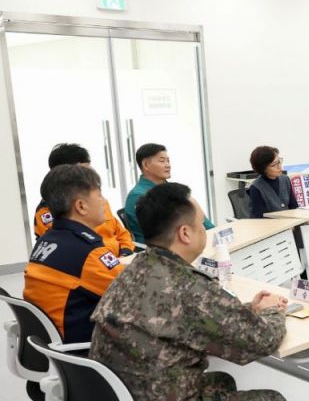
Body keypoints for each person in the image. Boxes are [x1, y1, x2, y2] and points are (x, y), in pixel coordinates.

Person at [90, 182, 289, 401]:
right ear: (185, 233)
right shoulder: (188, 286)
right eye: (201, 224)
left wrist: (247, 310)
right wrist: (273, 312)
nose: (204, 231)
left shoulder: (134, 270)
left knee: (222, 382)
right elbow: (261, 340)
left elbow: (185, 319)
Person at [24, 165, 125, 343]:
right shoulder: (88, 252)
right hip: (83, 348)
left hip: (50, 343)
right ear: (81, 206)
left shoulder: (46, 240)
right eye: (99, 195)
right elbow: (131, 290)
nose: (104, 201)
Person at [34, 142, 134, 257]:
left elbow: (122, 233)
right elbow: (69, 248)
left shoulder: (96, 200)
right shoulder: (49, 210)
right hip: (92, 262)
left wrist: (125, 252)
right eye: (85, 168)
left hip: (117, 260)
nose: (91, 172)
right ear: (64, 173)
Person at [124, 143, 213, 242]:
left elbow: (196, 215)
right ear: (146, 165)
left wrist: (213, 231)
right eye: (162, 161)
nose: (168, 165)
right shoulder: (138, 196)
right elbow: (163, 231)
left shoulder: (172, 190)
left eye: (168, 161)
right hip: (161, 247)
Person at [247, 146, 298, 219]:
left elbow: (294, 208)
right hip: (269, 225)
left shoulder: (285, 179)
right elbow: (259, 219)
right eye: (274, 165)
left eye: (279, 161)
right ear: (263, 169)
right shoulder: (256, 188)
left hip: (289, 223)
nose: (279, 166)